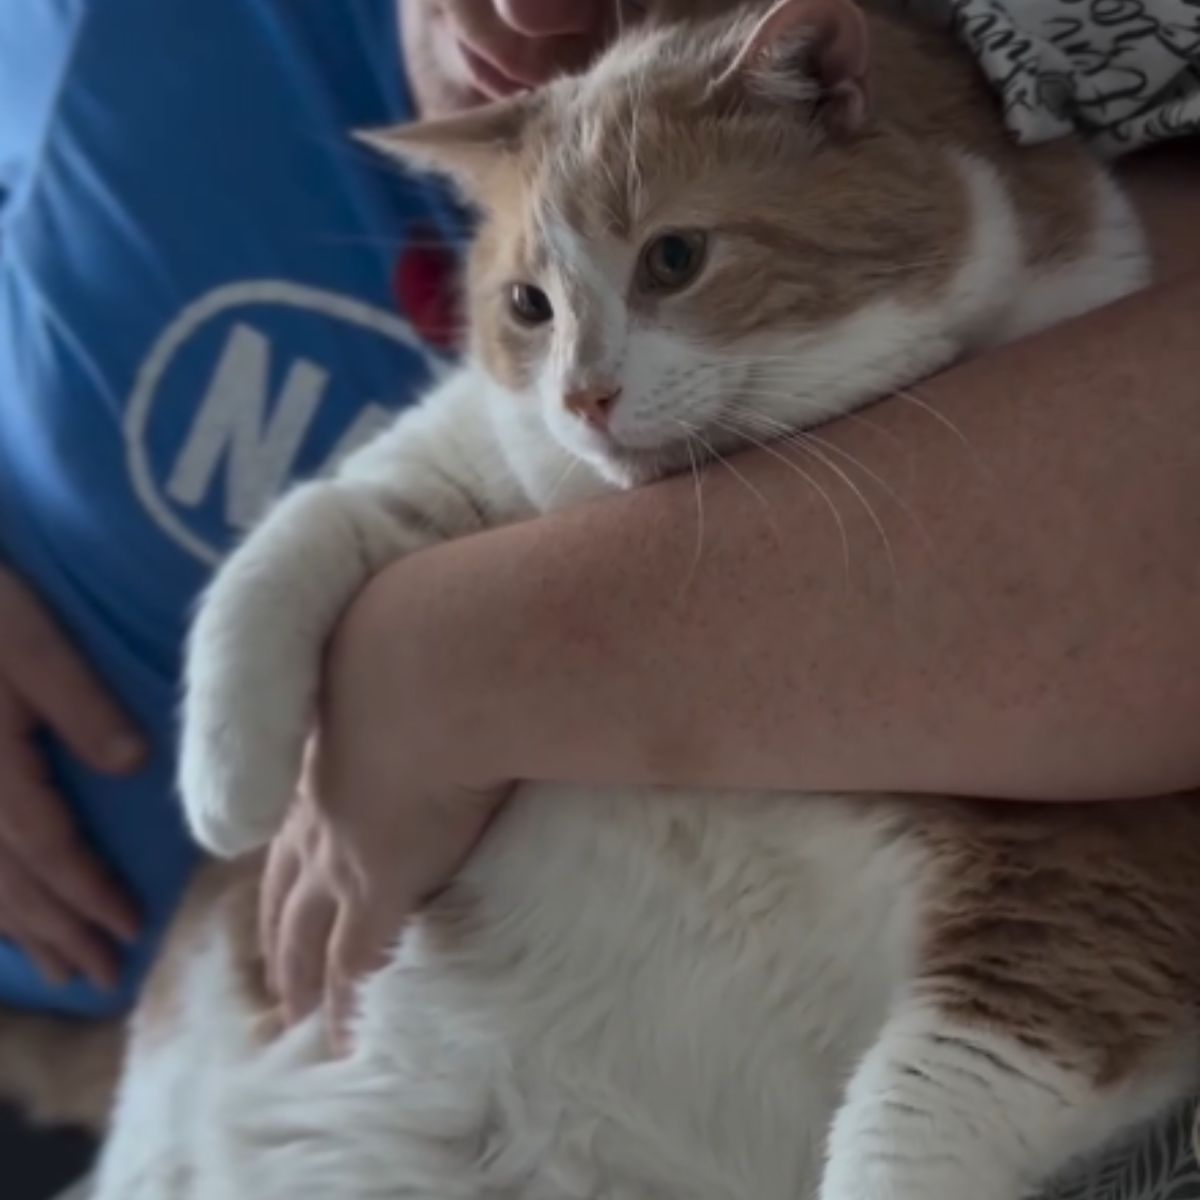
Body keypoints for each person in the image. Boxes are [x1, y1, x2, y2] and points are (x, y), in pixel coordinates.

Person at [0, 0, 1197, 1195]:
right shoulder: (132, 43)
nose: (526, 14)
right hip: (134, 1045)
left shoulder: (908, 170)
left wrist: (433, 672)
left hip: (424, 1047)